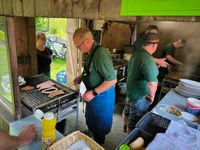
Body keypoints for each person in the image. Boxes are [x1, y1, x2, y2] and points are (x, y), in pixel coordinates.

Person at [73, 27, 117, 144]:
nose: (78, 48)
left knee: (100, 125)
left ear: (87, 41)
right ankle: (91, 133)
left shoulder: (101, 55)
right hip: (93, 95)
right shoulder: (91, 52)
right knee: (92, 119)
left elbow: (112, 80)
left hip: (102, 97)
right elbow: (91, 70)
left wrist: (93, 93)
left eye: (78, 45)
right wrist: (81, 77)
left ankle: (98, 143)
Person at [122, 33, 159, 133]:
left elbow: (138, 70)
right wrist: (152, 97)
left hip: (130, 92)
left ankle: (124, 127)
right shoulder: (148, 60)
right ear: (153, 45)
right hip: (139, 97)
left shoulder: (136, 54)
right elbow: (152, 83)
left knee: (126, 111)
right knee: (134, 122)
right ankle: (128, 142)